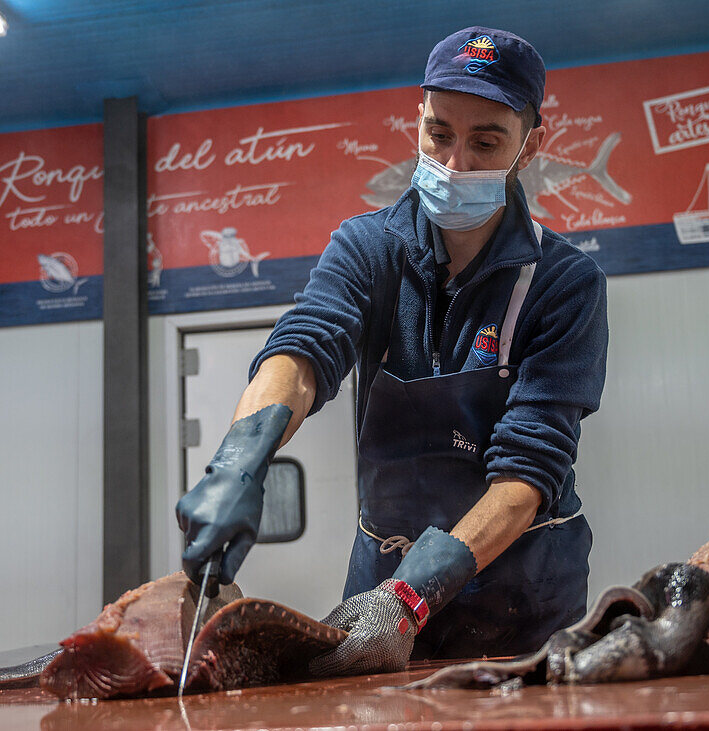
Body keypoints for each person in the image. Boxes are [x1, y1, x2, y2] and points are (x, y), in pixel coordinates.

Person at [176, 26, 608, 676]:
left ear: (531, 144)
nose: (455, 164)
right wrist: (240, 460)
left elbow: (527, 474)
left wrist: (411, 596)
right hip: (381, 569)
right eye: (438, 134)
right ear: (418, 121)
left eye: (486, 141)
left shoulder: (563, 282)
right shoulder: (366, 248)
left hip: (519, 594)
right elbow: (305, 347)